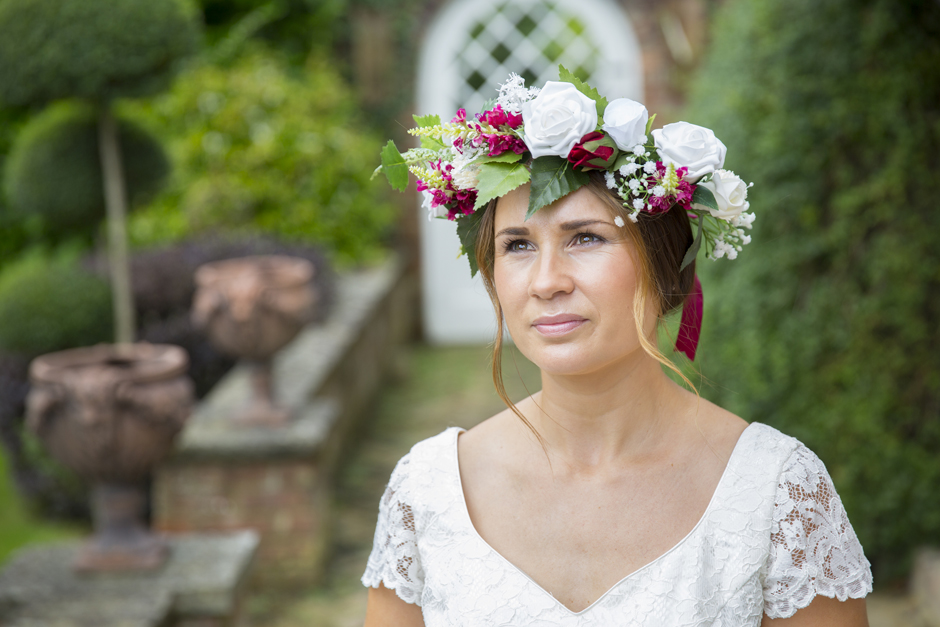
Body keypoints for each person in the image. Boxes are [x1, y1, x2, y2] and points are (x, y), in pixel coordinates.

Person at [362, 71, 873, 626]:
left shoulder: (779, 495)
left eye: (586, 238)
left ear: (663, 266)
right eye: (517, 245)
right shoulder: (428, 492)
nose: (546, 281)